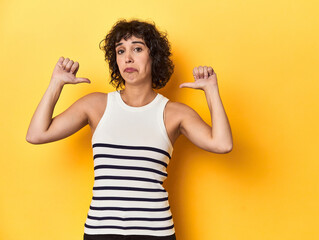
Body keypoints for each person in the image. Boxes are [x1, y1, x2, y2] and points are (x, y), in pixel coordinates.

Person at [26, 19, 233, 240]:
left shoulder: (174, 113)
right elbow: (37, 134)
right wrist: (55, 84)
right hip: (101, 232)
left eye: (137, 48)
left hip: (156, 233)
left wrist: (211, 91)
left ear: (154, 56)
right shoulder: (95, 105)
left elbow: (222, 144)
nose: (128, 58)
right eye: (120, 51)